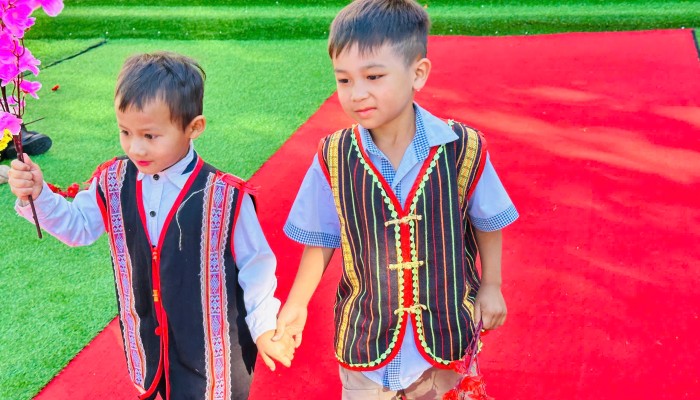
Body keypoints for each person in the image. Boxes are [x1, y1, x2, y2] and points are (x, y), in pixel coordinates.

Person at [8, 51, 294, 400]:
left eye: (150, 135)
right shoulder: (112, 180)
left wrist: (263, 326)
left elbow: (256, 266)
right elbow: (77, 227)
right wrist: (37, 196)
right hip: (148, 343)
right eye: (125, 132)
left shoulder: (225, 196)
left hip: (213, 355)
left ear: (194, 127)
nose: (136, 148)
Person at [273, 1, 518, 398]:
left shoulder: (462, 147)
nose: (357, 93)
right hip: (367, 338)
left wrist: (492, 284)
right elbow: (321, 236)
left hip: (445, 337)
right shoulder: (334, 155)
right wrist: (297, 304)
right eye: (344, 80)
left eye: (374, 76)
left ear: (418, 73)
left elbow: (487, 220)